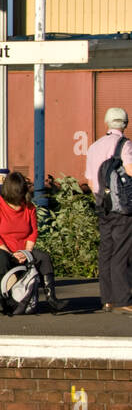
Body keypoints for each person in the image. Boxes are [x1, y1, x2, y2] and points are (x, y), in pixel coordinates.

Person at [0, 171, 59, 314]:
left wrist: (27, 252)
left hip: (23, 250)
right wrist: (11, 254)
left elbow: (33, 232)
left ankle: (51, 298)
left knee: (43, 258)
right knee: (2, 259)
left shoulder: (29, 208)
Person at [85, 107, 132, 314]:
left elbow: (89, 179)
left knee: (106, 251)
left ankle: (107, 299)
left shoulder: (94, 146)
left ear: (106, 123)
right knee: (122, 251)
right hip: (121, 207)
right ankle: (123, 299)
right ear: (125, 124)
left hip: (102, 205)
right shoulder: (125, 145)